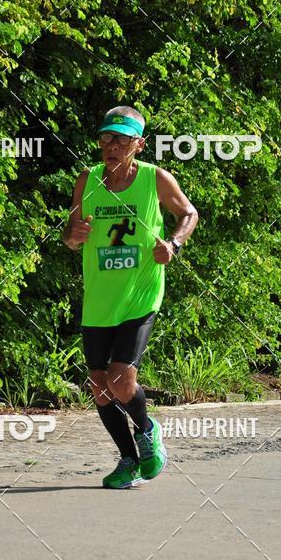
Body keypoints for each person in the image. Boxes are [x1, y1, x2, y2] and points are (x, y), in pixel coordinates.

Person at [62, 105, 198, 488]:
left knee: (121, 381)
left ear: (139, 144)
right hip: (99, 299)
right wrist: (73, 235)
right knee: (99, 386)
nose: (112, 146)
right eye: (106, 137)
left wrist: (173, 244)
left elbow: (188, 214)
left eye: (122, 139)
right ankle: (128, 460)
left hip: (141, 294)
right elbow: (70, 233)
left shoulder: (156, 179)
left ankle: (147, 429)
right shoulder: (87, 180)